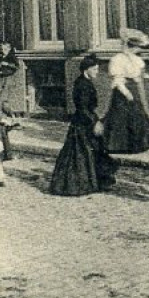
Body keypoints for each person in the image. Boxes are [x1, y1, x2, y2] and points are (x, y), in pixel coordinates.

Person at [49, 53, 113, 196]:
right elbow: (83, 108)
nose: (97, 71)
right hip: (83, 122)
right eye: (95, 69)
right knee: (81, 153)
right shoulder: (82, 85)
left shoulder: (85, 82)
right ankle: (79, 185)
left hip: (86, 119)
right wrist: (94, 122)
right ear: (87, 69)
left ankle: (95, 182)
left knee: (92, 151)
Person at [103, 29, 149, 157]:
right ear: (131, 47)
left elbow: (140, 74)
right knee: (122, 118)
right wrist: (126, 92)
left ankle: (140, 144)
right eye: (137, 48)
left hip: (136, 89)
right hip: (123, 92)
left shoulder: (136, 59)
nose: (138, 50)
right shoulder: (117, 59)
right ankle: (120, 145)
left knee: (138, 115)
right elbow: (117, 79)